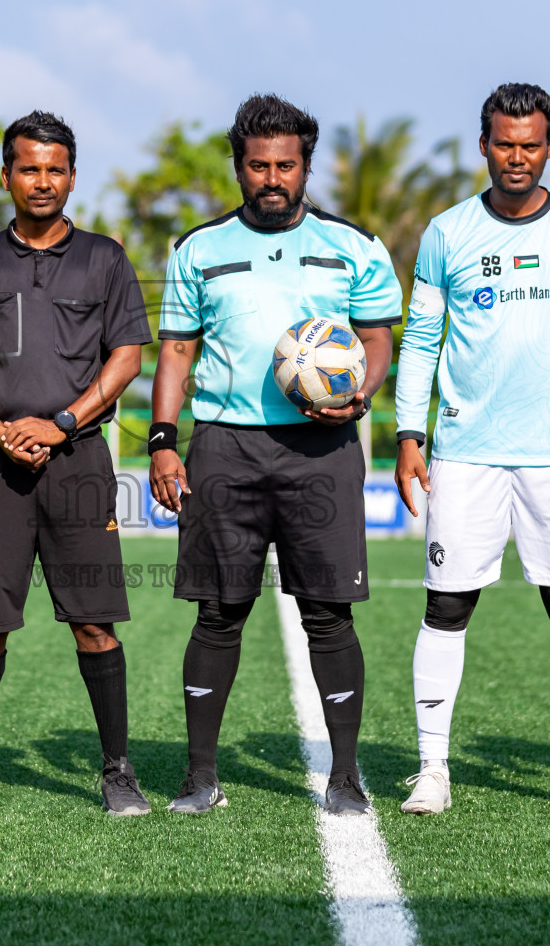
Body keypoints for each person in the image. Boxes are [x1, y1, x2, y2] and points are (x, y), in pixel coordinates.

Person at [151, 94, 403, 816]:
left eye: (285, 165)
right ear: (238, 166)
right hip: (225, 446)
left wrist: (362, 394)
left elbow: (378, 338)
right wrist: (165, 443)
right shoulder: (198, 249)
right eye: (258, 165)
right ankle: (201, 776)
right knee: (218, 613)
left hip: (322, 448)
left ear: (305, 167)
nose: (272, 178)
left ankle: (346, 774)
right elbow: (175, 350)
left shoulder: (353, 246)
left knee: (328, 614)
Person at [393, 83, 550, 818]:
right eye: (505, 144)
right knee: (448, 604)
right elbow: (421, 341)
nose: (518, 157)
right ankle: (432, 769)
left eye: (531, 145)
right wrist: (409, 433)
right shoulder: (447, 233)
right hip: (467, 451)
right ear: (484, 146)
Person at [0, 111, 152, 816]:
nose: (43, 180)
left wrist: (62, 423)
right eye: (29, 167)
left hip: (80, 459)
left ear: (73, 176)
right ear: (6, 176)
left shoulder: (105, 260)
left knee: (94, 621)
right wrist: (0, 430)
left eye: (55, 168)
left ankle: (117, 771)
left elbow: (126, 356)